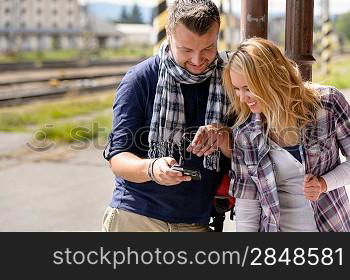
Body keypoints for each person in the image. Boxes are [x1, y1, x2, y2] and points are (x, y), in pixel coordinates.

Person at [102, 0, 233, 232]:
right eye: (186, 50)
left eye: (207, 49)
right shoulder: (139, 80)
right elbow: (118, 159)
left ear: (217, 36)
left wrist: (224, 138)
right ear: (169, 36)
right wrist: (152, 169)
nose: (197, 60)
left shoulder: (232, 80)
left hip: (196, 222)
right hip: (135, 217)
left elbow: (250, 153)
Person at [221, 37, 350, 232]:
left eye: (248, 88)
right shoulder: (245, 134)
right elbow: (247, 208)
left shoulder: (328, 103)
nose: (242, 98)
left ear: (271, 79)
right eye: (237, 89)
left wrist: (324, 184)